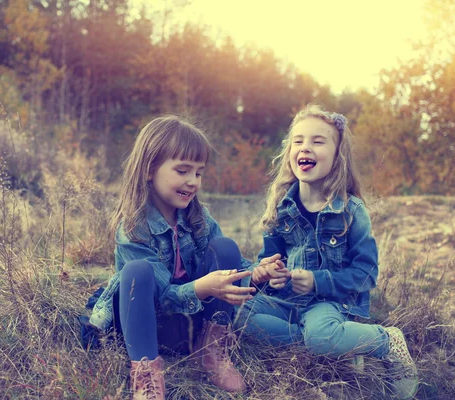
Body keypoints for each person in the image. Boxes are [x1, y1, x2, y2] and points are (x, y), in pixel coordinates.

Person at [234, 104, 419, 399]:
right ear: (289, 153)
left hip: (330, 304)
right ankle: (334, 345)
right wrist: (265, 275)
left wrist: (318, 281)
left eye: (318, 141)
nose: (305, 147)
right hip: (287, 303)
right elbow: (268, 261)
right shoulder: (280, 208)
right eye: (298, 141)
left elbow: (366, 274)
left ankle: (385, 341)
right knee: (236, 313)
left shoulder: (351, 211)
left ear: (337, 156)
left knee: (320, 335)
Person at [86, 115, 263, 400]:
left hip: (190, 324)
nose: (193, 182)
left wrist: (257, 272)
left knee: (225, 247)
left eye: (199, 173)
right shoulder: (133, 228)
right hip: (149, 327)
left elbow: (235, 267)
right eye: (182, 171)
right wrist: (200, 288)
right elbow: (161, 296)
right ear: (149, 170)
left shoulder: (198, 216)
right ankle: (146, 371)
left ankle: (211, 349)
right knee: (137, 272)